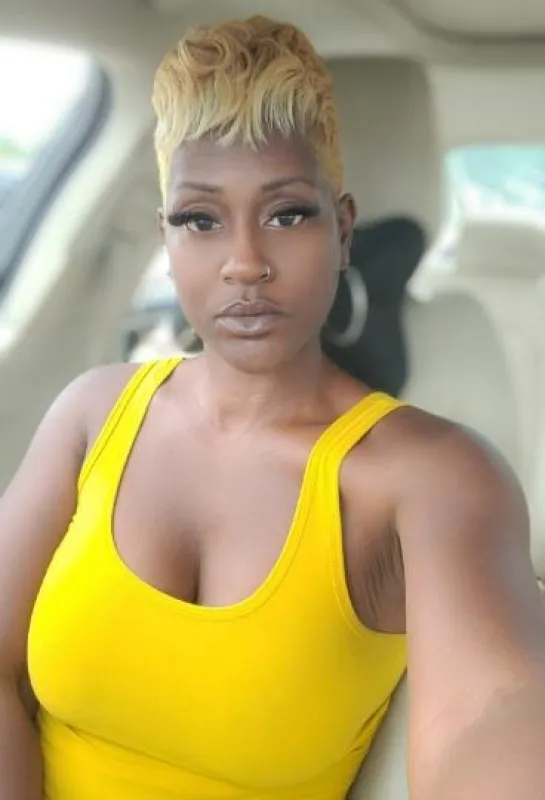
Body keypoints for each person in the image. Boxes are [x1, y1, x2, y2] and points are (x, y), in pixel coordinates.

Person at [1, 15, 545, 800]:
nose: (245, 263)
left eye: (286, 214)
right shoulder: (92, 412)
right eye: (200, 220)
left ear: (343, 230)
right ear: (166, 240)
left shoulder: (430, 477)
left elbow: (492, 708)